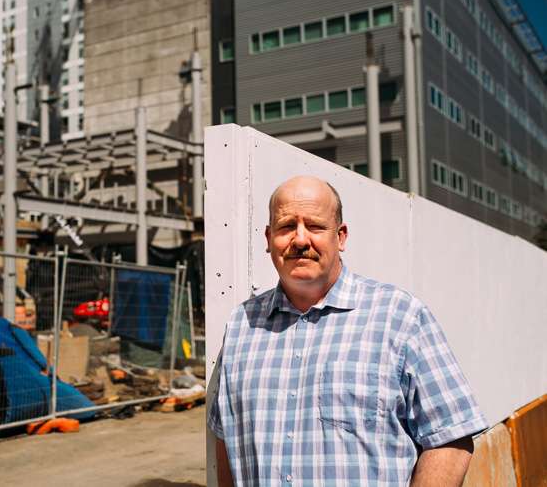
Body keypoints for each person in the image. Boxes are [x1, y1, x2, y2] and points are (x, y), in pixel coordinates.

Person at [208, 176, 487, 486]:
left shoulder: (400, 317)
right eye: (287, 227)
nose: (300, 240)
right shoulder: (240, 327)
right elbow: (226, 439)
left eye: (314, 226)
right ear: (268, 237)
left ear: (340, 237)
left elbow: (450, 437)